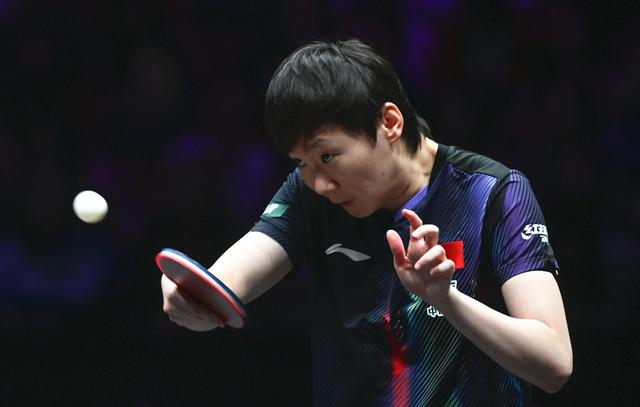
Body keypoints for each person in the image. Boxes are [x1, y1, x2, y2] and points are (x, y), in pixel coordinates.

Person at [161, 39, 572, 405]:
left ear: (390, 123)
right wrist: (190, 294)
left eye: (327, 156)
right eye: (301, 162)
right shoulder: (310, 196)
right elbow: (227, 280)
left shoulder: (494, 193)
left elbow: (553, 363)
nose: (319, 182)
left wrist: (446, 300)